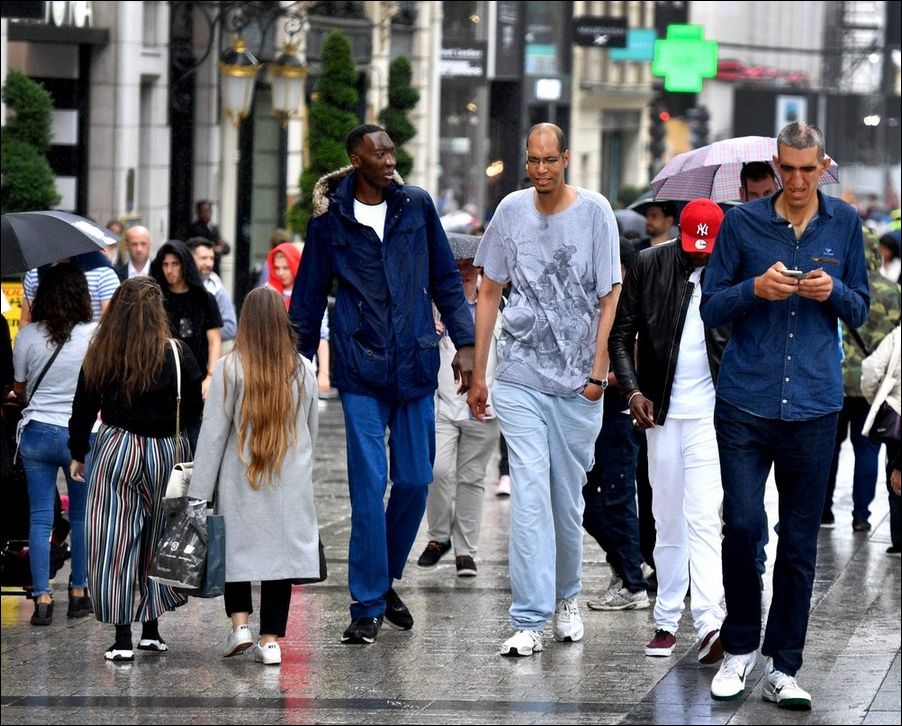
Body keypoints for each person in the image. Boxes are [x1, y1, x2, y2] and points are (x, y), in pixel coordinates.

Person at [701, 122, 869, 709]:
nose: (797, 181)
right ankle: (740, 647)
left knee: (799, 542)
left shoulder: (845, 223)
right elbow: (711, 306)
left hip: (815, 404)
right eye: (788, 169)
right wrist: (755, 288)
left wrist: (833, 292)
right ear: (776, 166)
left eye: (807, 170)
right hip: (745, 399)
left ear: (823, 166)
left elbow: (861, 308)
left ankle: (784, 666)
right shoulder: (742, 223)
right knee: (743, 524)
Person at [289, 123, 475, 645]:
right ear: (356, 159)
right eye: (380, 153)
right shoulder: (330, 220)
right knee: (368, 487)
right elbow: (308, 295)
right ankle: (367, 603)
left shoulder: (416, 206)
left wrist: (465, 343)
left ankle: (384, 576)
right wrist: (298, 362)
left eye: (393, 150)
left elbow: (445, 278)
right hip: (360, 368)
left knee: (415, 480)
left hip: (415, 363)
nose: (391, 159)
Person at [468, 122, 621, 657]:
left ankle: (567, 597)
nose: (540, 170)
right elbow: (489, 291)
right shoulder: (510, 211)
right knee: (529, 495)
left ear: (566, 159)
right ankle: (528, 619)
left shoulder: (596, 212)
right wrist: (481, 371)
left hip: (578, 382)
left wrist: (598, 371)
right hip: (520, 374)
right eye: (532, 160)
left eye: (549, 160)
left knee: (565, 501)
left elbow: (610, 295)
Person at [610, 199, 730, 663]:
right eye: (693, 247)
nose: (701, 255)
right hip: (659, 413)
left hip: (711, 414)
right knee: (666, 517)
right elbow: (621, 335)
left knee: (703, 515)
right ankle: (665, 619)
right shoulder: (649, 263)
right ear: (679, 234)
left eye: (708, 248)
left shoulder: (731, 266)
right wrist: (633, 391)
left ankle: (709, 622)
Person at [69, 276, 204, 660]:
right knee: (159, 539)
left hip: (116, 450)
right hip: (166, 452)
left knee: (115, 540)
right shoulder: (177, 353)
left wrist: (78, 451)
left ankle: (122, 638)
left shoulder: (103, 351)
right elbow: (194, 410)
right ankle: (152, 631)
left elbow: (84, 405)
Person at [189, 287, 321, 665]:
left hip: (239, 478)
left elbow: (214, 434)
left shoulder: (229, 368)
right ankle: (270, 641)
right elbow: (310, 429)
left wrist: (199, 492)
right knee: (281, 560)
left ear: (245, 321)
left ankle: (240, 626)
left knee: (235, 552)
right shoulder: (302, 368)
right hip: (286, 480)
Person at [13, 264, 96, 626]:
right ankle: (78, 593)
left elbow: (19, 387)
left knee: (40, 517)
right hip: (81, 435)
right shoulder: (94, 335)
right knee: (79, 516)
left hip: (37, 433)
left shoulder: (27, 335)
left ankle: (42, 599)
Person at [417, 235, 499, 577]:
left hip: (485, 407)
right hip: (443, 404)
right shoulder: (434, 306)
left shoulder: (496, 304)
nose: (463, 271)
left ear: (479, 268)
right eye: (457, 266)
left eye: (469, 265)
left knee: (472, 479)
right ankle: (439, 537)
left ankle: (466, 550)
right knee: (437, 471)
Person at [584, 237, 650, 613]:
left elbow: (635, 361)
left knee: (618, 497)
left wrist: (596, 380)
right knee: (582, 497)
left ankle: (632, 583)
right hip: (594, 412)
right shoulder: (601, 299)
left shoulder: (634, 302)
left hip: (620, 414)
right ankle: (629, 565)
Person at [821, 229, 901, 530]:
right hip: (874, 385)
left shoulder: (837, 286)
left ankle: (824, 511)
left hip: (835, 380)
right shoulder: (893, 291)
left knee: (828, 448)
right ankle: (860, 516)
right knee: (867, 449)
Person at [150, 240, 222, 401]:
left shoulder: (204, 299)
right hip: (161, 379)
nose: (169, 270)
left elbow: (215, 341)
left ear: (185, 265)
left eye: (175, 264)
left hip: (196, 377)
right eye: (165, 264)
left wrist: (211, 376)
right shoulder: (156, 300)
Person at [267, 241, 332, 396]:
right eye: (277, 268)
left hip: (304, 367)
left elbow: (322, 335)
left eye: (286, 267)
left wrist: (324, 373)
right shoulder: (266, 292)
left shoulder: (311, 294)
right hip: (271, 369)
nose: (281, 273)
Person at [860, 325, 901, 557]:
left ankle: (900, 540)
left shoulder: (897, 336)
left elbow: (870, 369)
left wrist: (875, 398)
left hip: (898, 413)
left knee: (896, 476)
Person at [21, 252, 119, 327]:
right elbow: (26, 320)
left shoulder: (103, 273)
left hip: (89, 344)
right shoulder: (34, 273)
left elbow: (110, 322)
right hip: (43, 342)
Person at [189, 237, 237, 343]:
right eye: (204, 258)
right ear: (190, 259)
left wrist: (199, 332)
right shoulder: (178, 283)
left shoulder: (217, 289)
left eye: (211, 258)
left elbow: (230, 328)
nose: (209, 263)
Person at [185, 200, 231, 273]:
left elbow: (225, 246)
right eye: (203, 211)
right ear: (198, 212)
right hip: (200, 268)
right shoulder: (194, 228)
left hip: (214, 267)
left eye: (208, 211)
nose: (206, 214)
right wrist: (214, 249)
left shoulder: (213, 228)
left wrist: (222, 248)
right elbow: (197, 245)